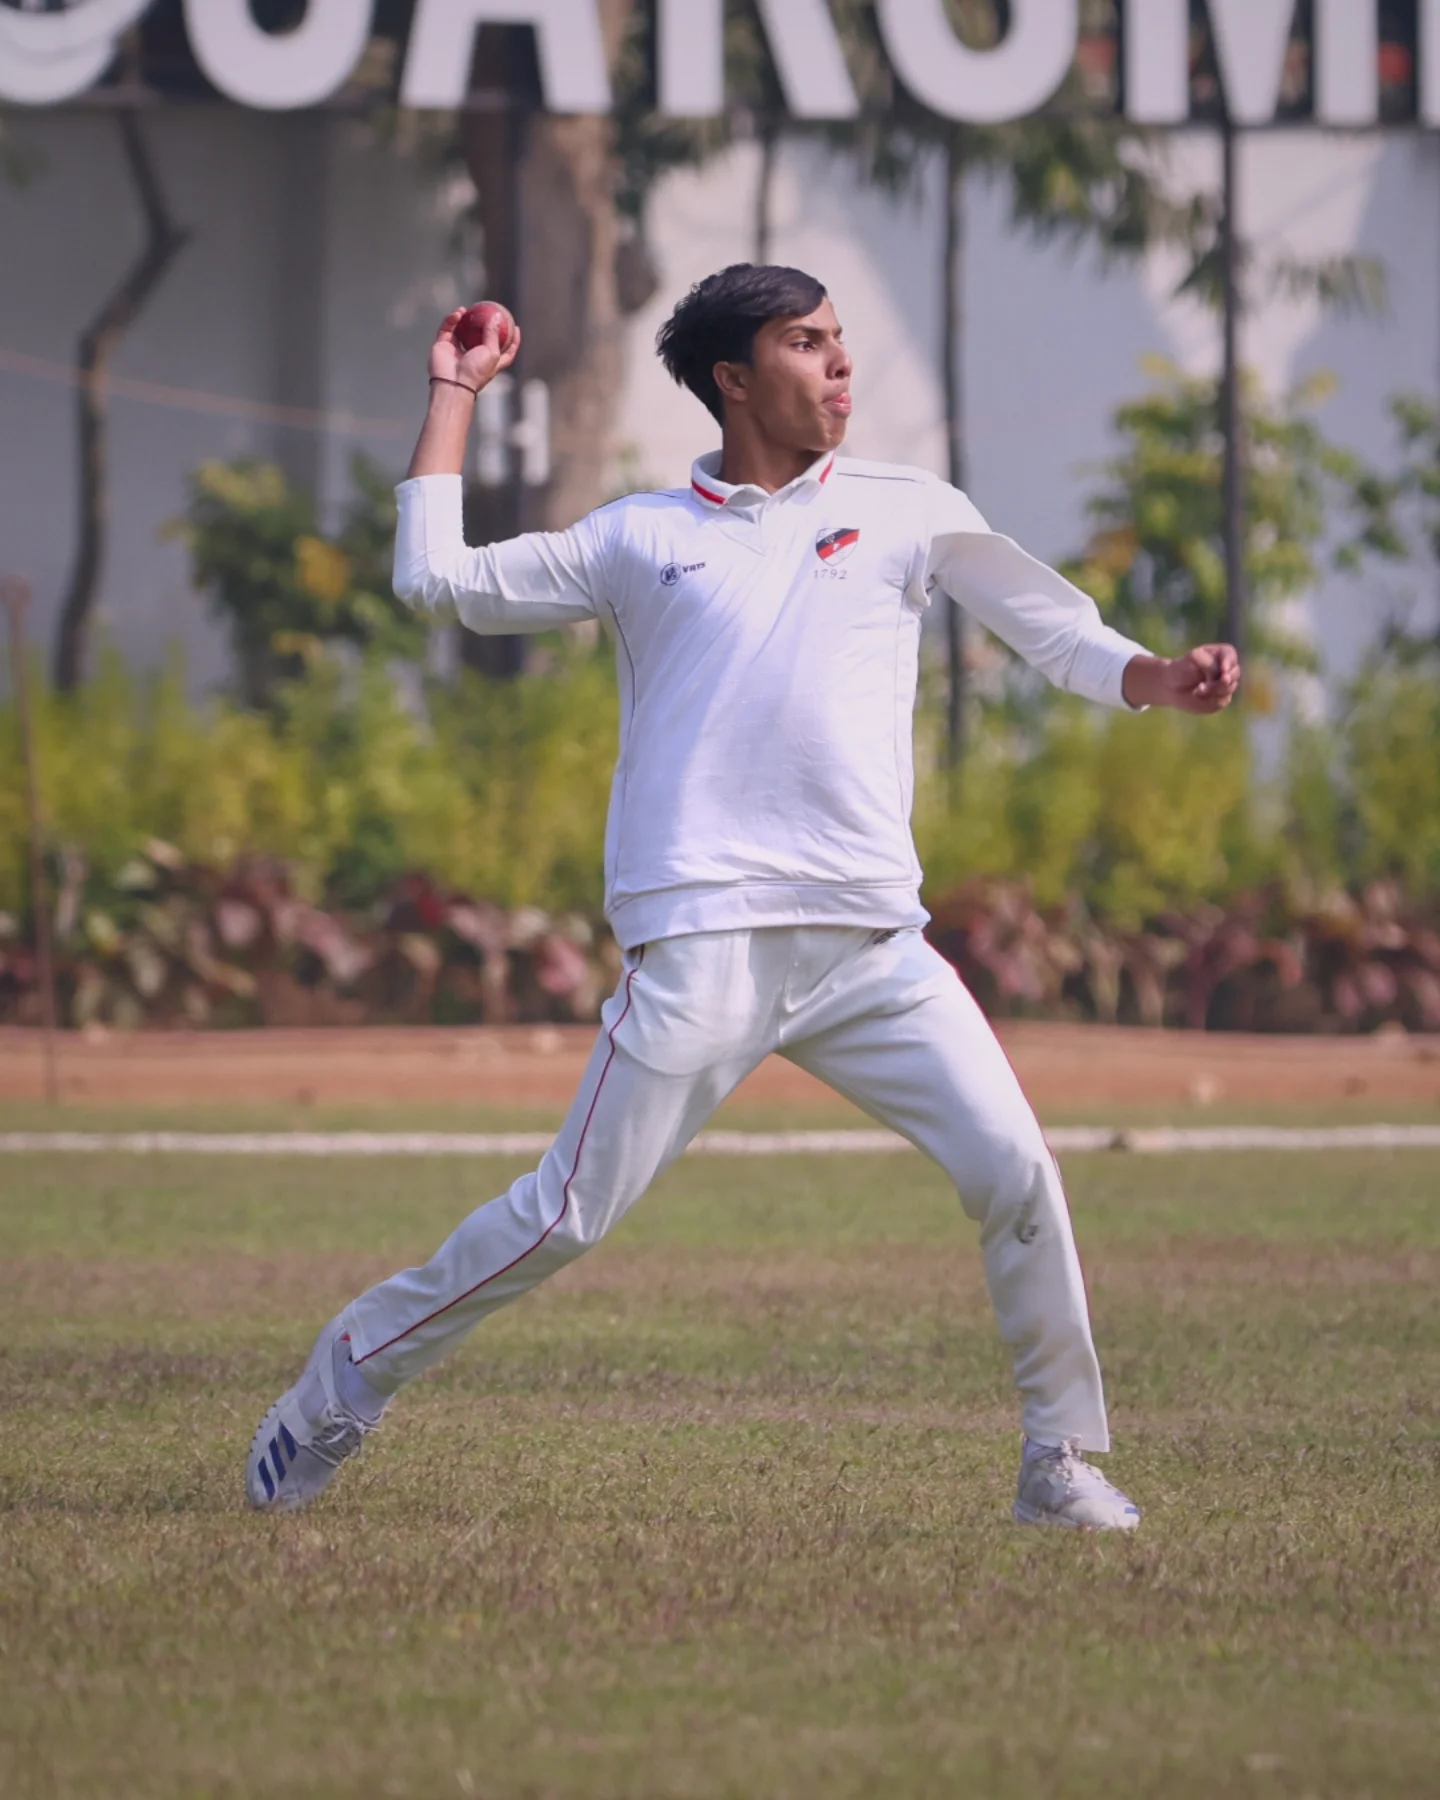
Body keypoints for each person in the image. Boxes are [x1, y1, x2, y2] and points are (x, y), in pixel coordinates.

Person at [246, 264, 1240, 1527]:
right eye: (806, 342)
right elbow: (438, 582)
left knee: (1016, 1168)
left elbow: (1055, 632)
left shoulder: (907, 508)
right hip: (703, 940)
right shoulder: (638, 536)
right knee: (563, 1220)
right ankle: (344, 1379)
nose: (840, 363)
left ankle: (1059, 1462)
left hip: (873, 947)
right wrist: (453, 392)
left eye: (839, 338)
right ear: (733, 377)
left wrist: (1157, 677)